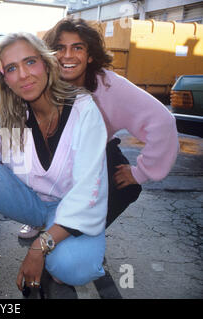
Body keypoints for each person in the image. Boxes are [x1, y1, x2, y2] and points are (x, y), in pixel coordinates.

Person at [0, 32, 109, 299]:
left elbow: (89, 189)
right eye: (11, 68)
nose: (23, 75)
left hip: (71, 207)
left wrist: (39, 247)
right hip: (31, 203)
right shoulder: (9, 112)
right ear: (5, 79)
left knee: (71, 268)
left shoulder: (83, 109)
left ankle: (59, 250)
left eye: (30, 62)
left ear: (46, 64)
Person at [18, 18, 179, 239]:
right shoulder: (38, 81)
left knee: (126, 188)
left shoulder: (109, 85)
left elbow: (162, 121)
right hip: (47, 150)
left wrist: (140, 172)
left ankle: (81, 237)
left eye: (77, 48)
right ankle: (39, 218)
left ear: (90, 55)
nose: (67, 56)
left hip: (92, 150)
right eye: (59, 48)